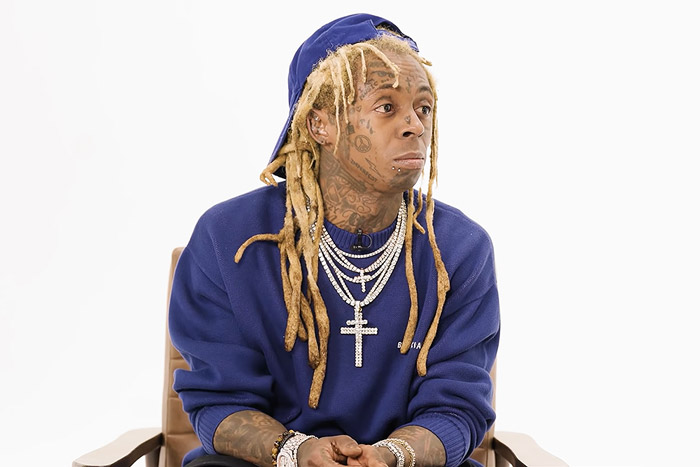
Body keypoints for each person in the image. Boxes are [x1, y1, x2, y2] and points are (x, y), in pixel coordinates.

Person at [169, 13, 500, 467]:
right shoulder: (229, 239)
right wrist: (297, 451)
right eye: (387, 107)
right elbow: (219, 401)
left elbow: (457, 407)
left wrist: (389, 456)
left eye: (423, 108)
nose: (416, 126)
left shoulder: (459, 249)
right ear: (319, 124)